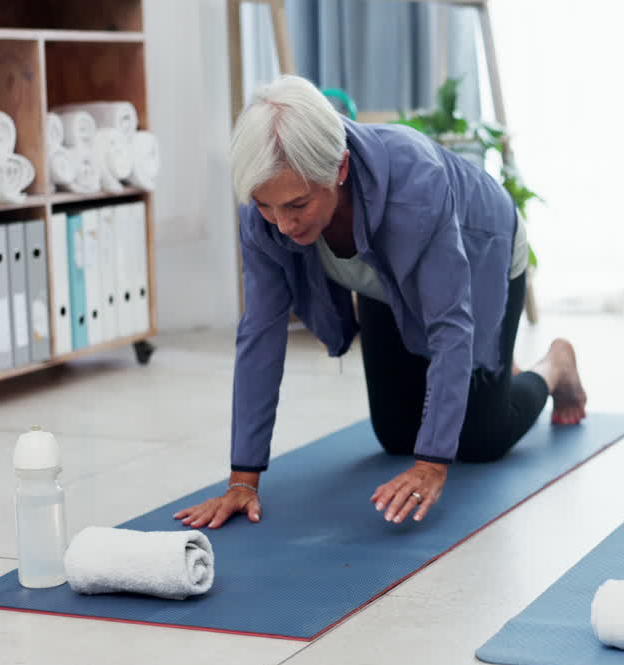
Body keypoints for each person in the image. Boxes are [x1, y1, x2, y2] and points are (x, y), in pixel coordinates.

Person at [175, 75, 587, 530]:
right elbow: (261, 332)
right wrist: (243, 481)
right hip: (384, 283)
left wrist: (431, 464)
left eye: (297, 205)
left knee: (480, 439)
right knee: (395, 435)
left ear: (340, 169)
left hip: (480, 253)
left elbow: (450, 324)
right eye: (266, 206)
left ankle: (553, 366)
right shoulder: (266, 213)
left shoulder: (417, 184)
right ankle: (491, 373)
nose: (283, 224)